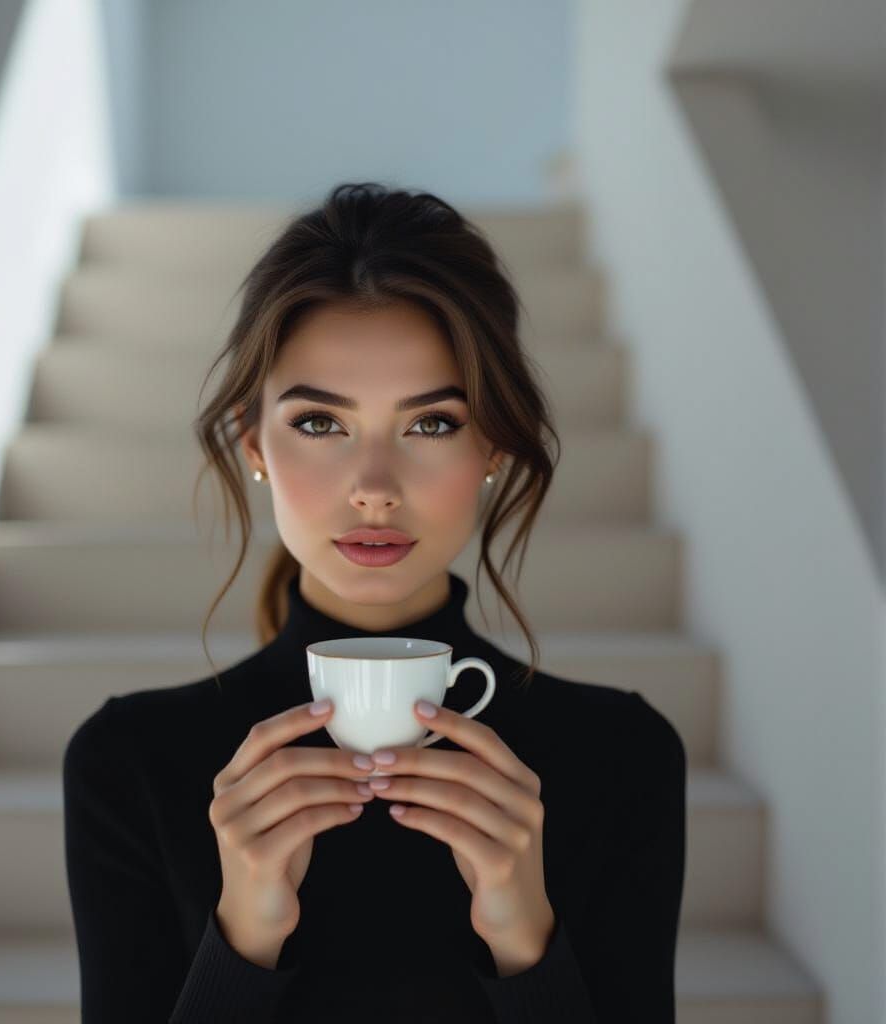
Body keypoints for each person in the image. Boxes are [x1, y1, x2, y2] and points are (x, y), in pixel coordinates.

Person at [62, 182, 687, 1023]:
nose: (373, 490)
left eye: (431, 425)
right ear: (255, 447)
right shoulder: (129, 761)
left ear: (494, 448)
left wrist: (525, 937)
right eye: (321, 424)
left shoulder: (624, 757)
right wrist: (242, 935)